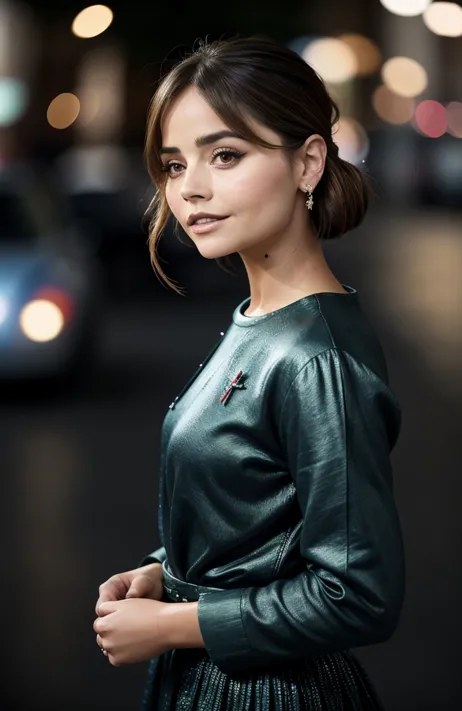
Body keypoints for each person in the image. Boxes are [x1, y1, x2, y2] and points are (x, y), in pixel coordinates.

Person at [93, 34, 405, 710]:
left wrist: (176, 623)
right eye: (175, 165)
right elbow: (260, 516)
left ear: (308, 162)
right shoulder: (258, 319)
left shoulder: (315, 356)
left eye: (226, 155)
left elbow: (358, 594)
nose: (190, 189)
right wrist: (164, 572)